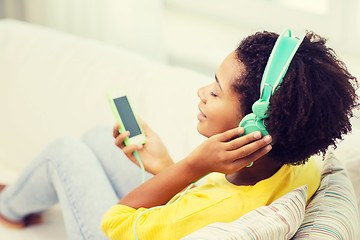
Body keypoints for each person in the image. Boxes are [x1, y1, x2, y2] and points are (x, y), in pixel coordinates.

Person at [0, 30, 358, 240]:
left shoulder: (214, 209)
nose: (202, 92)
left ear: (256, 125)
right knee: (97, 138)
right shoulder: (298, 162)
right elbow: (203, 196)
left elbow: (115, 222)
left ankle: (9, 210)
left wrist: (189, 166)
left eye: (216, 92)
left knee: (66, 152)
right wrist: (166, 165)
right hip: (180, 203)